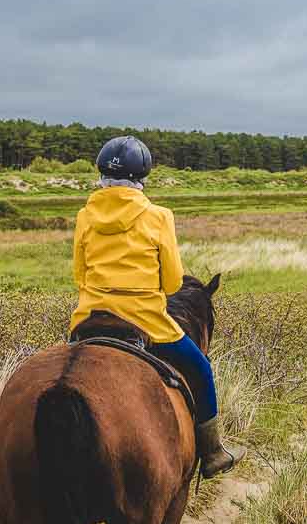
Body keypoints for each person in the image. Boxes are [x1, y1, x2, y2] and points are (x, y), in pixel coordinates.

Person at [67, 134, 240, 478]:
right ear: (142, 176)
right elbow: (174, 282)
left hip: (89, 319)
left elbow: (79, 276)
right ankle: (213, 452)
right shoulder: (159, 216)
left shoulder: (85, 215)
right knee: (201, 370)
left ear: (101, 174)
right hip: (147, 323)